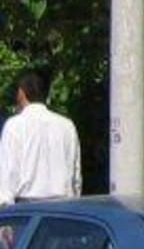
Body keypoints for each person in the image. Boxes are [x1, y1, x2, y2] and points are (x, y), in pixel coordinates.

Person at [0, 68, 83, 204]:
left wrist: (4, 207)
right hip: (63, 207)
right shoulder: (67, 125)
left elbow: (8, 174)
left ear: (21, 93)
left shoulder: (15, 125)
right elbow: (76, 176)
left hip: (27, 208)